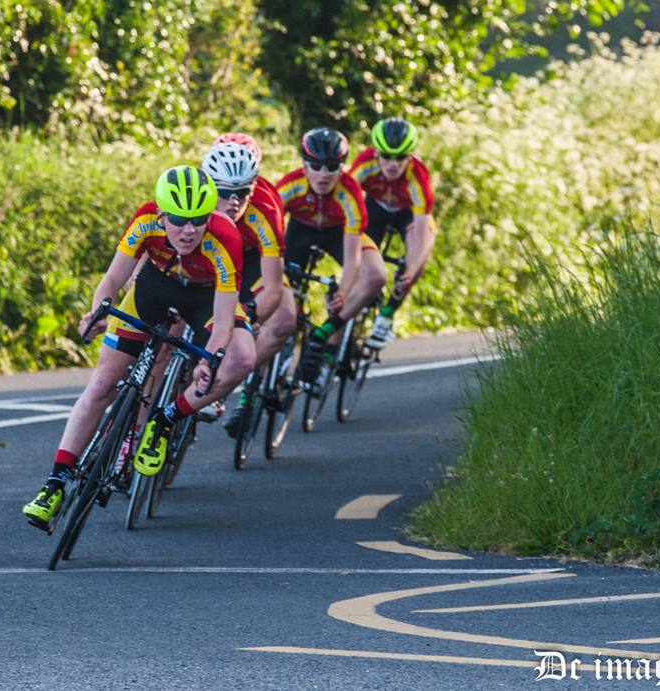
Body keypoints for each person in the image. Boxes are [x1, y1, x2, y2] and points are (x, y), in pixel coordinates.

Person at [22, 166, 256, 528]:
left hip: (205, 299)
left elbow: (224, 321)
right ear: (162, 214)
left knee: (242, 357)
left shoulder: (225, 237)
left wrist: (211, 358)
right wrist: (99, 310)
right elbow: (113, 279)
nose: (189, 230)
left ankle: (164, 420)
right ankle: (55, 482)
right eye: (178, 220)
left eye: (197, 220)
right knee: (102, 384)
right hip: (154, 288)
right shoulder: (145, 219)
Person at [199, 142, 296, 438]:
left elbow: (273, 285)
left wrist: (249, 318)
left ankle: (231, 385)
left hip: (253, 262)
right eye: (225, 193)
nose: (234, 202)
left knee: (284, 319)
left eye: (242, 193)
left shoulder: (265, 208)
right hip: (208, 259)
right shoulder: (195, 198)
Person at [276, 127, 387, 384]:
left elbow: (351, 256)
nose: (323, 174)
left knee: (375, 275)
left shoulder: (350, 194)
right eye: (315, 165)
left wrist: (344, 292)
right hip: (300, 232)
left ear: (342, 168)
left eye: (331, 166)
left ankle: (325, 334)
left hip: (338, 234)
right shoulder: (290, 185)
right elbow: (270, 232)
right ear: (304, 165)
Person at [349, 117, 436, 349]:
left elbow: (421, 230)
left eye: (400, 157)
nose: (392, 164)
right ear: (376, 153)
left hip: (406, 214)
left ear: (410, 156)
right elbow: (346, 201)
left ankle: (387, 316)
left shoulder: (418, 176)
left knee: (422, 248)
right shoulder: (364, 163)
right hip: (375, 207)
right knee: (358, 253)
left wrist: (411, 267)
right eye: (386, 156)